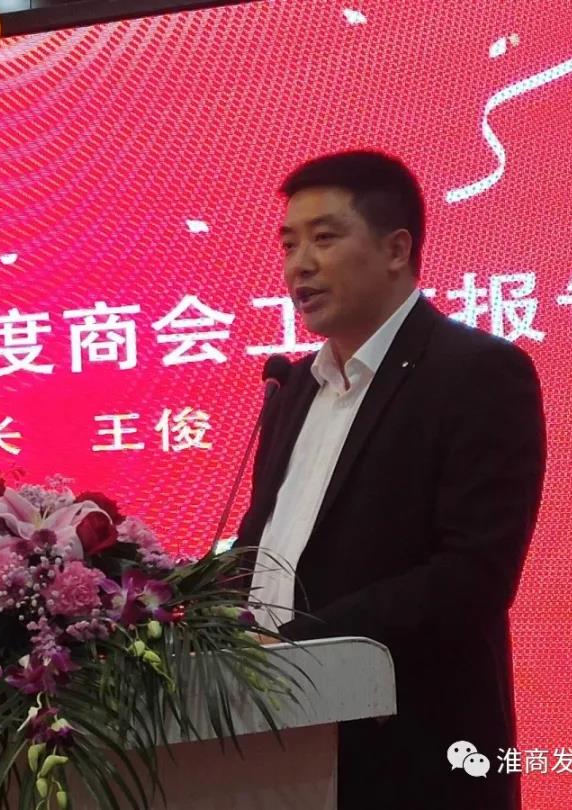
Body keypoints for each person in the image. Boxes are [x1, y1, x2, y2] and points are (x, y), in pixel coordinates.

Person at [234, 150, 546, 809]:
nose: (298, 265)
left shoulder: (477, 374)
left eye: (324, 238)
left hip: (416, 758)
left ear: (396, 249)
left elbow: (473, 576)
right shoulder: (294, 387)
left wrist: (292, 645)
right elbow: (263, 552)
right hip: (277, 755)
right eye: (288, 244)